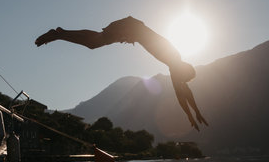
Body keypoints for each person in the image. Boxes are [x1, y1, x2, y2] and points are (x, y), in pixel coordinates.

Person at [35, 16, 208, 131]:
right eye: (182, 77)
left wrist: (196, 112)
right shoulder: (174, 58)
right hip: (132, 28)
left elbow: (184, 89)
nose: (179, 80)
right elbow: (181, 92)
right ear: (184, 70)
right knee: (96, 41)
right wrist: (190, 114)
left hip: (133, 28)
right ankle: (59, 34)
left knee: (95, 42)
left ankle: (60, 33)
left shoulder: (174, 63)